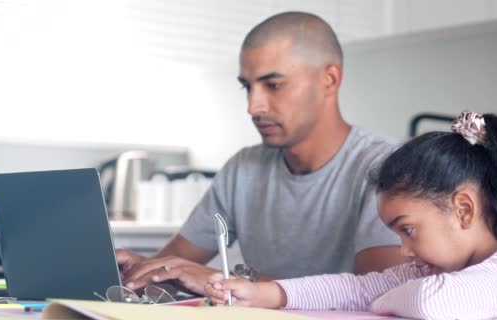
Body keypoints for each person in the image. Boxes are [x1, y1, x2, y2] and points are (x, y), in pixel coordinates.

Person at [116, 11, 404, 295]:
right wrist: (140, 272)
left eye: (273, 85)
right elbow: (176, 263)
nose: (254, 107)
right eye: (247, 87)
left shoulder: (386, 167)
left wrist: (221, 280)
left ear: (329, 80)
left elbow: (377, 294)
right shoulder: (243, 168)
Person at [205, 112, 497, 319]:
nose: (405, 249)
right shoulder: (441, 271)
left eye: (408, 230)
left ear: (463, 209)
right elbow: (354, 289)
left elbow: (432, 304)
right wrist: (265, 294)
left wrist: (379, 299)